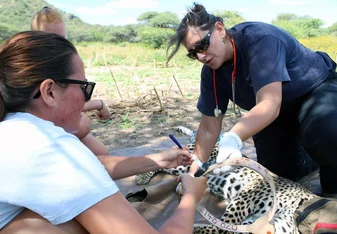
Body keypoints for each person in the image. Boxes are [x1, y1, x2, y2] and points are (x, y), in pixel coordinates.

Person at [0, 31, 208, 233]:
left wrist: (159, 160)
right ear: (49, 92)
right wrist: (190, 196)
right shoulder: (47, 146)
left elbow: (86, 168)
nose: (87, 99)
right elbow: (73, 169)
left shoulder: (15, 129)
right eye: (85, 88)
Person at [167, 3, 337, 197]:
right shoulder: (211, 74)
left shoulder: (261, 39)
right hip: (276, 112)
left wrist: (233, 137)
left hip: (314, 91)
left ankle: (333, 197)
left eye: (202, 45)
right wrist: (194, 170)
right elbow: (208, 128)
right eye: (192, 53)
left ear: (220, 30)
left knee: (328, 132)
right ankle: (309, 156)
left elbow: (269, 104)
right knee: (276, 171)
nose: (200, 56)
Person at [31, 6, 110, 156]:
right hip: (45, 123)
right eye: (49, 38)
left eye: (61, 38)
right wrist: (98, 104)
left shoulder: (65, 60)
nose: (57, 44)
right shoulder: (35, 65)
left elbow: (71, 101)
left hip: (59, 118)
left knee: (102, 153)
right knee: (84, 125)